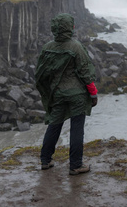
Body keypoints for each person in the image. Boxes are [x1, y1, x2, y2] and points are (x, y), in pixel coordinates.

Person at [35, 13, 98, 175]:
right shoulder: (75, 46)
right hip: (77, 95)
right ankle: (76, 165)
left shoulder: (47, 47)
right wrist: (93, 94)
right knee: (77, 129)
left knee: (54, 125)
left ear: (55, 29)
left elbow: (42, 73)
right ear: (70, 27)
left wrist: (50, 90)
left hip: (57, 94)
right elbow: (85, 72)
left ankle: (45, 160)